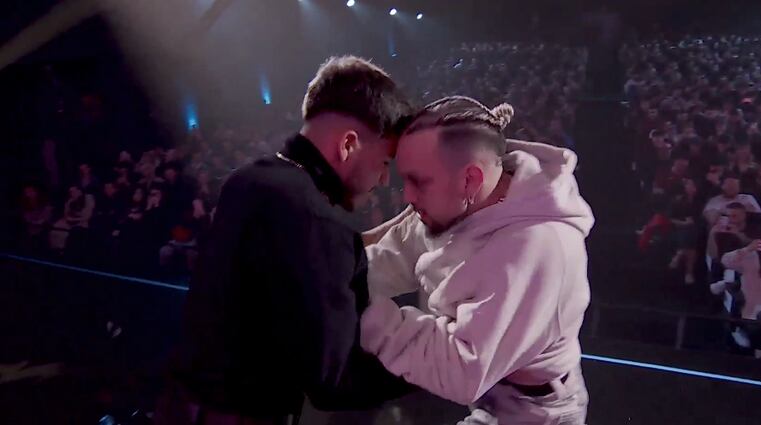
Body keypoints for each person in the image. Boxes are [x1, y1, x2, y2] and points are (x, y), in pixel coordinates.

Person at [159, 56, 414, 425]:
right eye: (386, 161)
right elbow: (334, 380)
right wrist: (434, 367)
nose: (385, 179)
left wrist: (393, 230)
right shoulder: (317, 222)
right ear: (348, 144)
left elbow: (300, 263)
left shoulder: (249, 180)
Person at [360, 97, 593, 424]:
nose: (407, 197)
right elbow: (389, 259)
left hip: (537, 415)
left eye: (419, 181)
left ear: (470, 179)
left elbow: (461, 370)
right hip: (493, 392)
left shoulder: (536, 248)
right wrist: (331, 276)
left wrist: (365, 313)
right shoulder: (456, 200)